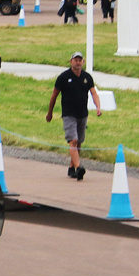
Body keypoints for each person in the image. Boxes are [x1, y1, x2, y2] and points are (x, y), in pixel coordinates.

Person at [46, 51, 101, 180]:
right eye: (75, 60)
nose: (77, 62)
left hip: (82, 113)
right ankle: (79, 167)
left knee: (79, 142)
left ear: (83, 62)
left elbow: (94, 93)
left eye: (80, 60)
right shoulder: (64, 77)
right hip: (68, 114)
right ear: (71, 62)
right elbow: (54, 96)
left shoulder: (87, 77)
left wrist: (98, 107)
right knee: (73, 141)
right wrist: (50, 113)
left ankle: (72, 167)